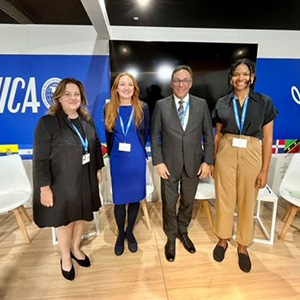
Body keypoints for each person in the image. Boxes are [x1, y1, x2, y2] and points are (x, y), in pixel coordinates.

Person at [33, 78, 104, 281]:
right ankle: (65, 257)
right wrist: (44, 188)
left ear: (81, 98)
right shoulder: (48, 123)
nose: (73, 98)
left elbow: (95, 145)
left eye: (76, 94)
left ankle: (75, 248)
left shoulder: (86, 119)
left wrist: (98, 167)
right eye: (68, 94)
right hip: (61, 183)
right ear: (59, 98)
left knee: (80, 216)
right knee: (65, 221)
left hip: (85, 178)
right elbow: (40, 158)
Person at [212, 58, 278, 273]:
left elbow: (268, 138)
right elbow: (218, 134)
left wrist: (265, 170)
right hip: (227, 151)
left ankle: (242, 245)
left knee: (248, 201)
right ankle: (223, 239)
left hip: (252, 151)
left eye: (245, 74)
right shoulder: (222, 102)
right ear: (231, 78)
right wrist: (213, 161)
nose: (240, 78)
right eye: (236, 74)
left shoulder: (264, 102)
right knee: (224, 199)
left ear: (252, 77)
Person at [151, 65, 214, 262]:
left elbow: (208, 136)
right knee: (169, 203)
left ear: (191, 83)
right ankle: (171, 237)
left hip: (194, 163)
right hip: (168, 164)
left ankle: (182, 231)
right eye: (177, 80)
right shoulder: (161, 105)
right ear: (171, 83)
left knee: (188, 201)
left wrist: (208, 162)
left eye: (185, 80)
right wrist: (158, 162)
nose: (181, 84)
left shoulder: (201, 104)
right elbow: (154, 137)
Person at [105, 72, 149, 256]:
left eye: (129, 84)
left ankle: (130, 231)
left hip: (136, 158)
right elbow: (109, 135)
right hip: (118, 159)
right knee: (120, 199)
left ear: (134, 88)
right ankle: (120, 233)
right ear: (116, 88)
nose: (126, 88)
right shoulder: (109, 108)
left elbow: (145, 131)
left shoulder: (142, 107)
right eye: (122, 84)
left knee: (134, 197)